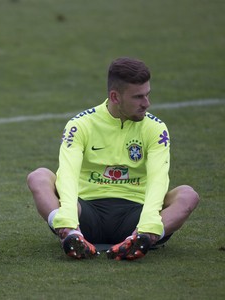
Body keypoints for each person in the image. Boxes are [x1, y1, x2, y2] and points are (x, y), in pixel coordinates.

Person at [27, 57, 199, 260]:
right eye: (138, 97)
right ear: (115, 97)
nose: (147, 103)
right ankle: (71, 235)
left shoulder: (156, 129)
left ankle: (141, 239)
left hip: (135, 214)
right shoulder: (80, 125)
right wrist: (69, 218)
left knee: (188, 195)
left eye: (147, 95)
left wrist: (148, 225)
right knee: (38, 177)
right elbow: (68, 173)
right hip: (85, 212)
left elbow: (158, 179)